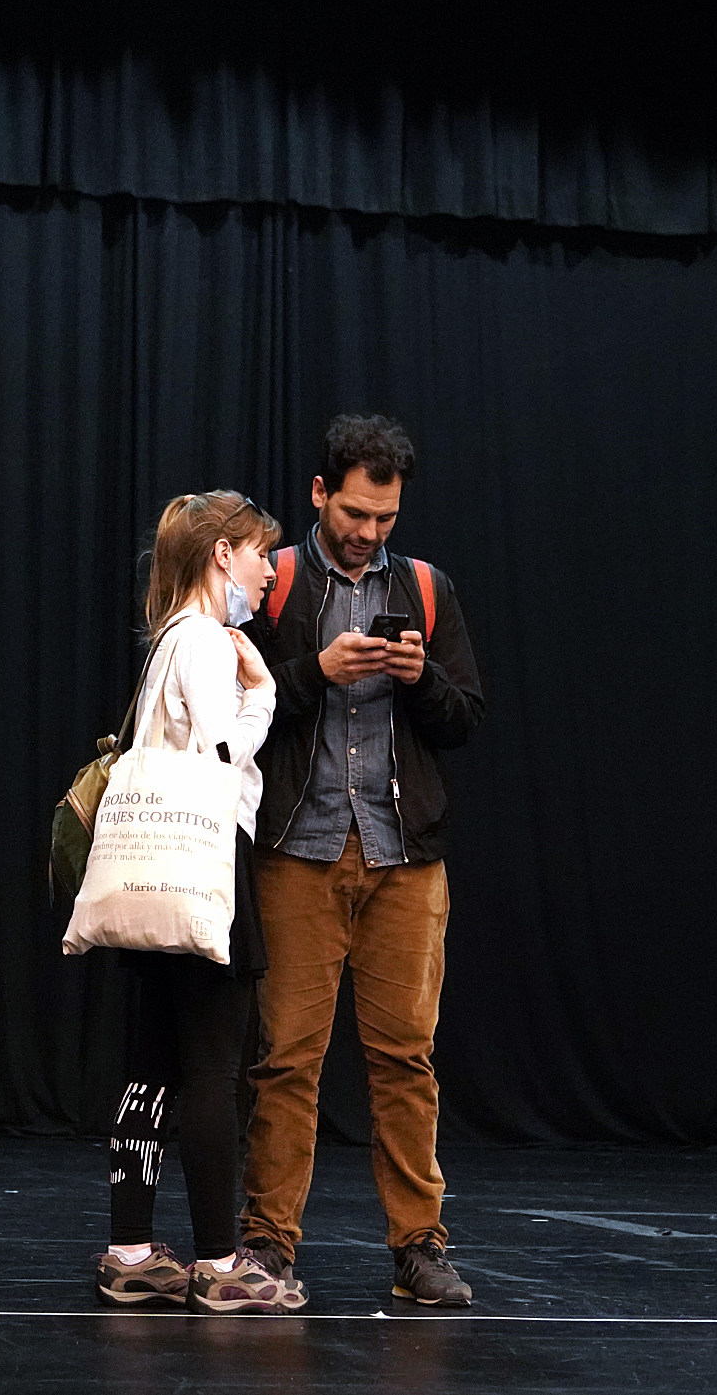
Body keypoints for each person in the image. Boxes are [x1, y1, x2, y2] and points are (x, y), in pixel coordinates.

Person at [235, 414, 485, 1307]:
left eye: (384, 516)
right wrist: (318, 668)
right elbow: (233, 714)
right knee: (287, 1059)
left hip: (403, 859)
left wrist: (418, 677)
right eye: (355, 512)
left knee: (406, 1060)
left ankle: (419, 1245)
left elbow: (464, 720)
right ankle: (267, 1244)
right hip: (297, 853)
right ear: (319, 493)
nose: (369, 532)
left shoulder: (426, 587)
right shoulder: (276, 582)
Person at [93, 490, 302, 1314]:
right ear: (223, 554)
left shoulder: (163, 644)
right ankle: (221, 1259)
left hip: (152, 874)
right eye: (258, 554)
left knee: (149, 1068)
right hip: (203, 866)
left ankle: (130, 1247)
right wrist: (265, 697)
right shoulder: (209, 643)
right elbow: (220, 756)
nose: (265, 571)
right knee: (214, 1071)